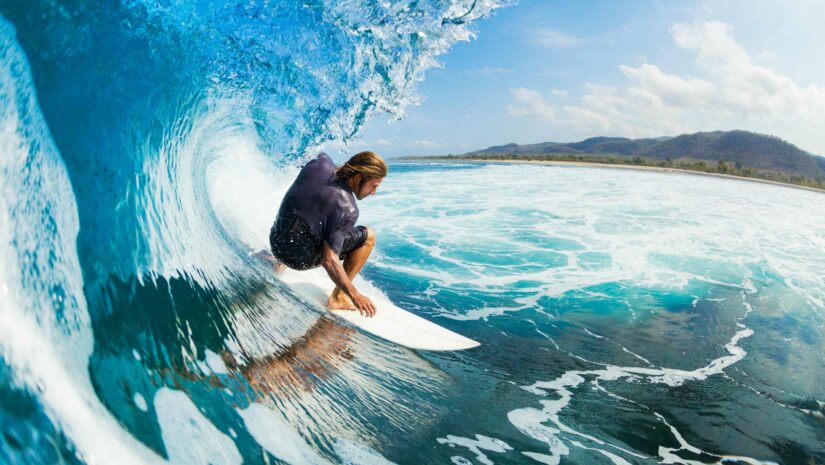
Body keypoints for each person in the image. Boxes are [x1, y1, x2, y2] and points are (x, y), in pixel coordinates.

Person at [269, 151, 386, 316]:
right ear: (359, 177)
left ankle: (277, 263)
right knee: (369, 235)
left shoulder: (320, 162)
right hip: (299, 260)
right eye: (373, 185)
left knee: (312, 212)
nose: (373, 192)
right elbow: (329, 260)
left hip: (276, 242)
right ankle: (338, 298)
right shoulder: (348, 208)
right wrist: (355, 295)